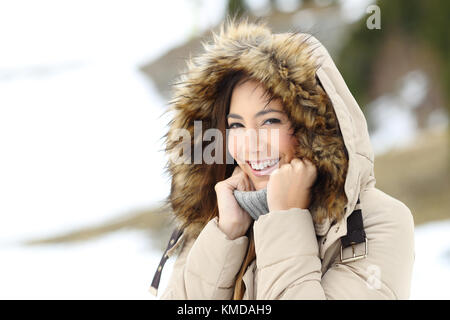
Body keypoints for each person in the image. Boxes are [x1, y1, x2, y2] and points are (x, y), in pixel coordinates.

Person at [149, 17, 415, 300]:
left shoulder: (378, 222)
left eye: (270, 121)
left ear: (314, 127)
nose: (251, 145)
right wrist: (227, 235)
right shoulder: (214, 226)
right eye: (236, 126)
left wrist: (286, 217)